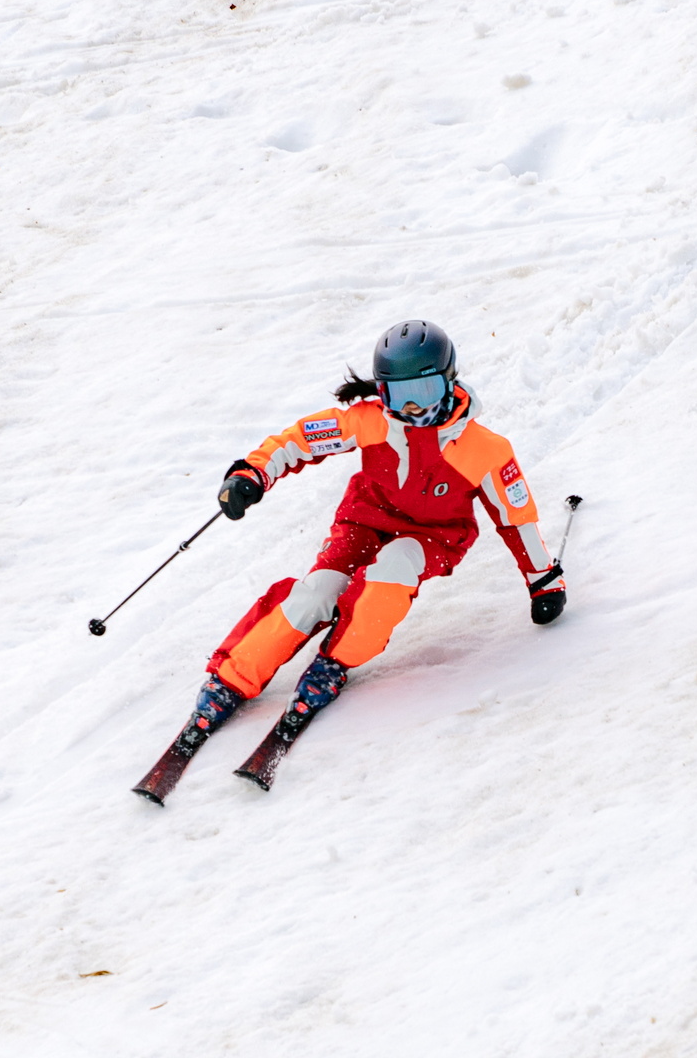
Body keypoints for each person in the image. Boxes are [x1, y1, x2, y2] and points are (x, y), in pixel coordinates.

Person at [177, 320, 566, 754]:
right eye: (400, 398)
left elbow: (517, 518)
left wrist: (544, 580)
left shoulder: (484, 450)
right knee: (316, 594)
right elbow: (299, 441)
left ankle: (335, 661)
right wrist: (252, 473)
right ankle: (233, 678)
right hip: (363, 523)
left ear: (449, 382)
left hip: (431, 537)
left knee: (391, 573)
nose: (414, 411)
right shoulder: (371, 423)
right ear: (382, 393)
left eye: (426, 394)